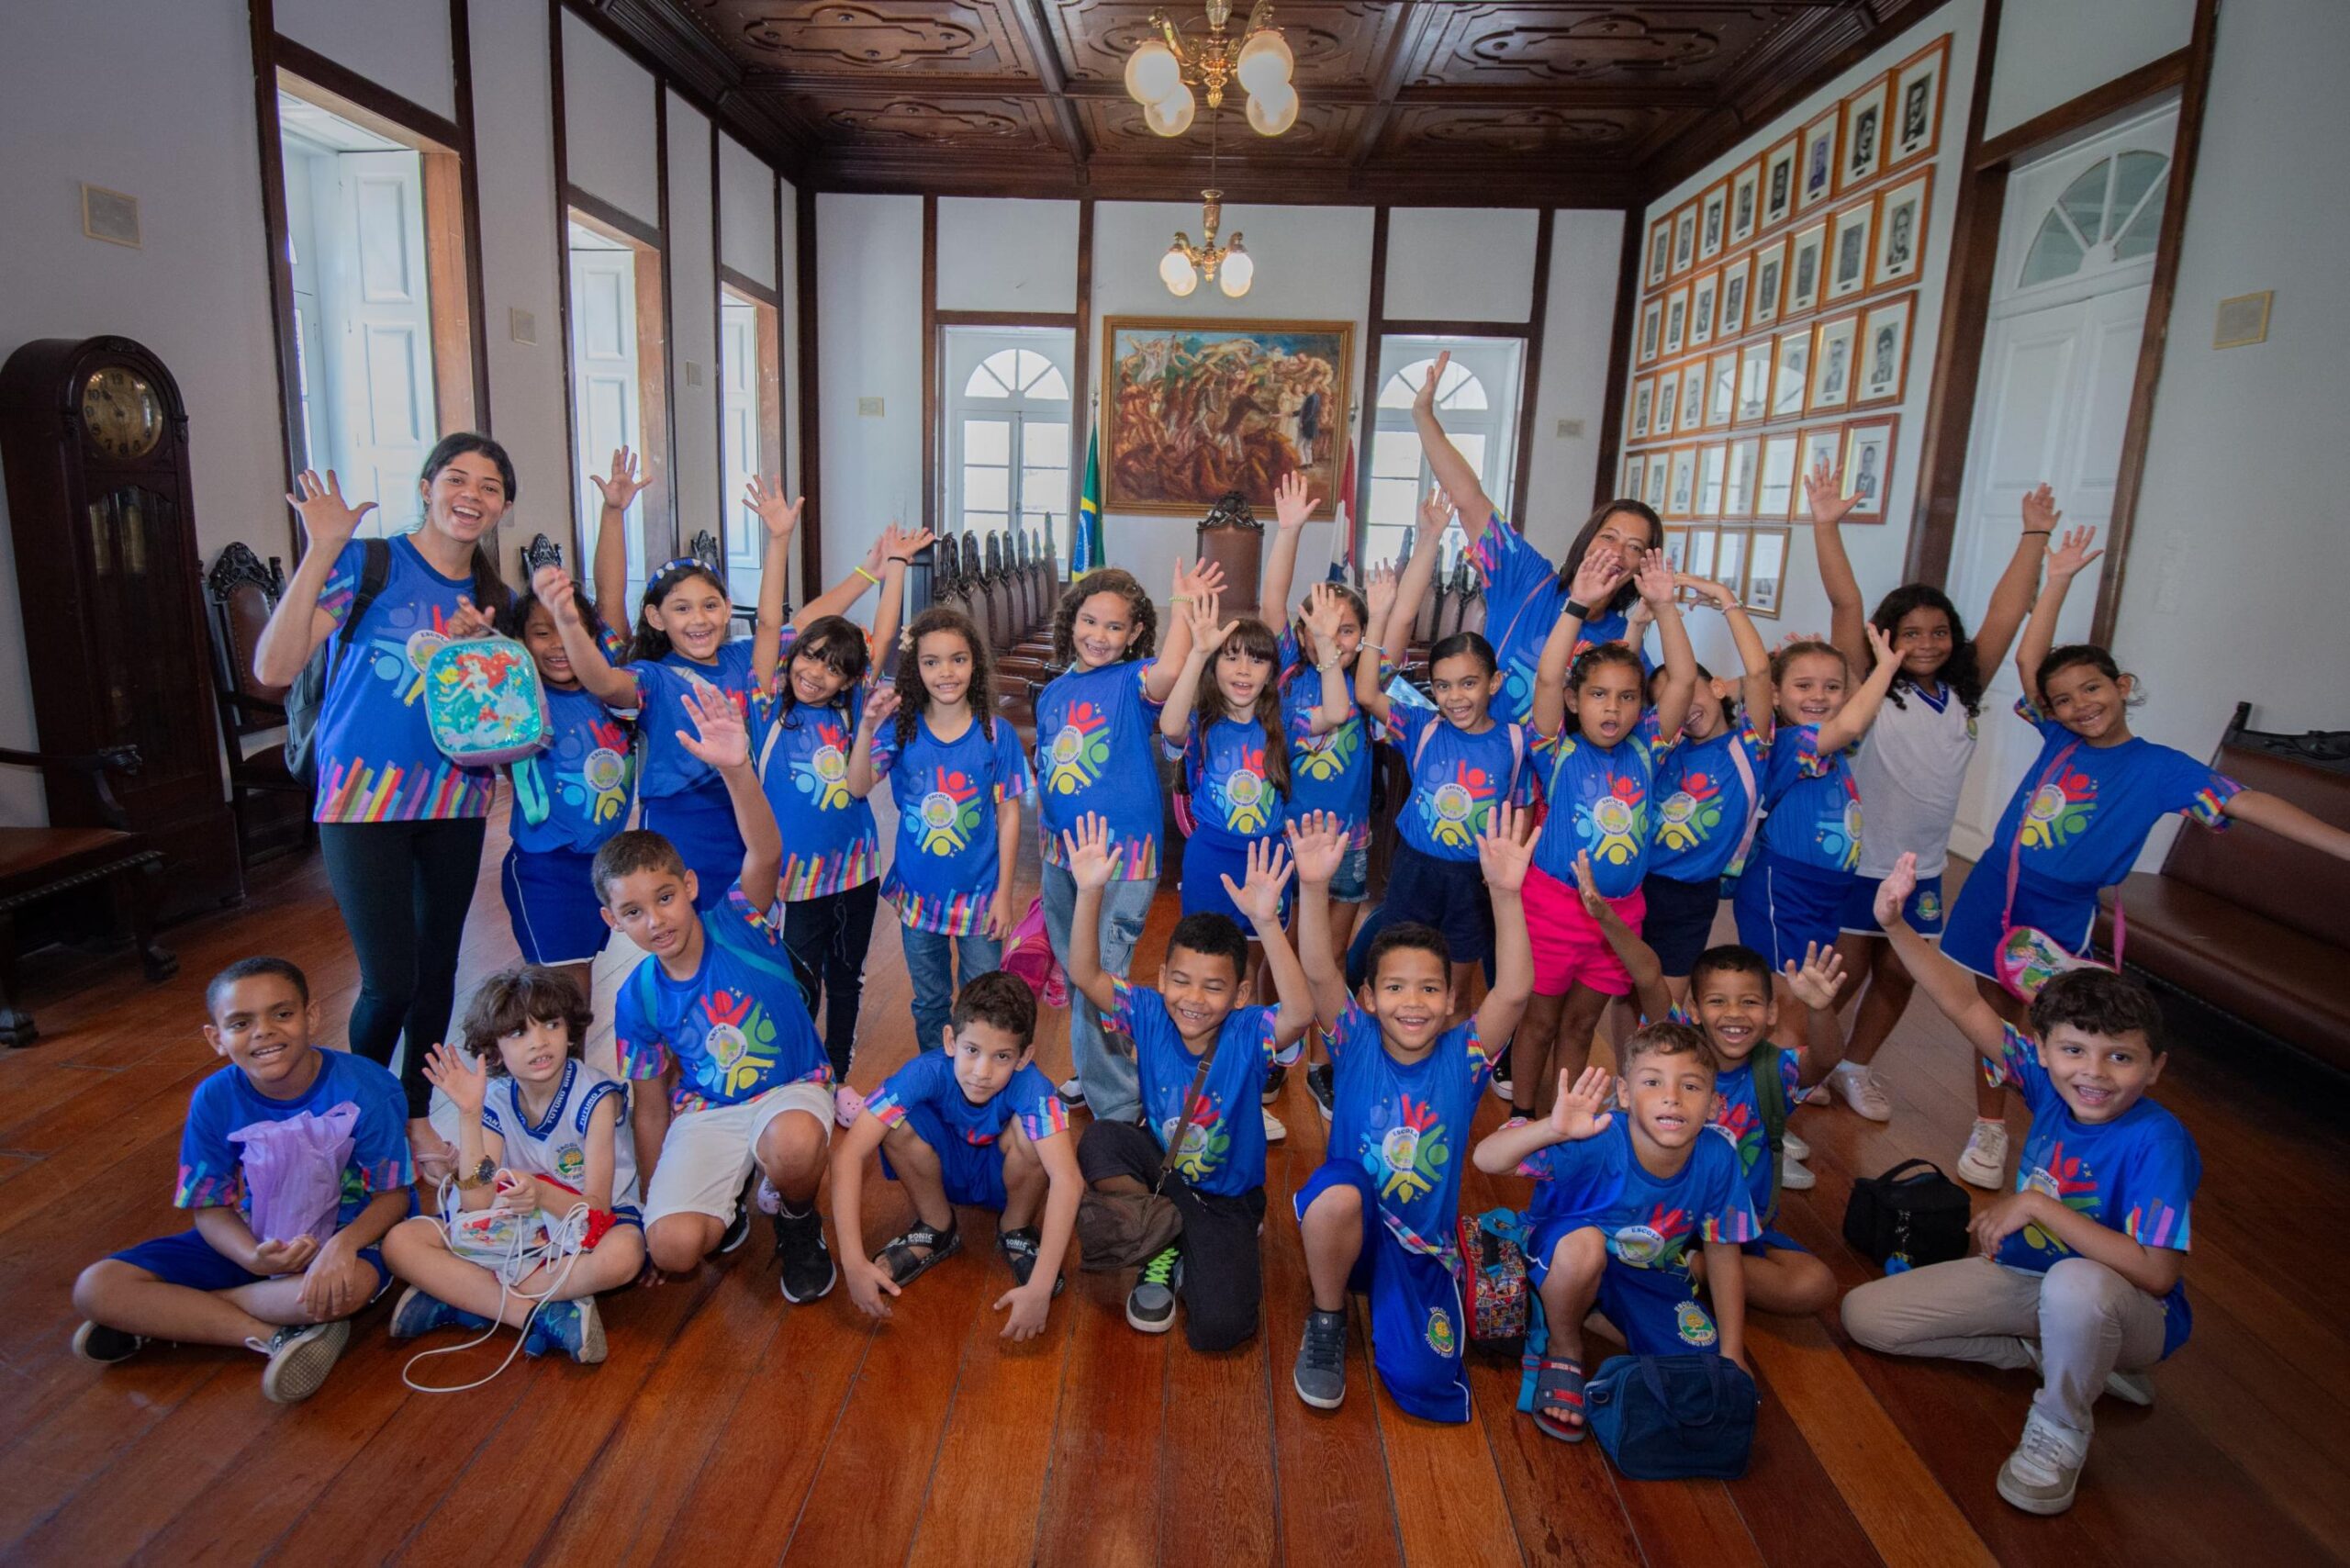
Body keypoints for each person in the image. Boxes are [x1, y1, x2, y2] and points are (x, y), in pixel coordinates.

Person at [1936, 525, 2350, 1186]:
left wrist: (2340, 843)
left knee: (2061, 1030)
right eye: (2064, 699)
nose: (2079, 706)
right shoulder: (2058, 736)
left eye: (2092, 690)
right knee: (1990, 1015)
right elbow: (2029, 659)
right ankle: (1990, 1125)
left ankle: (2058, 1136)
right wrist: (2058, 578)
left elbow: (2249, 802)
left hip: (2062, 911)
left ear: (2122, 685)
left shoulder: (2161, 768)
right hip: (1997, 888)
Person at [1846, 854, 2199, 1517]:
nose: (2093, 1073)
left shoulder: (2159, 1141)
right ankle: (2058, 1354)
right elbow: (1961, 1001)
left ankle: (2061, 1425)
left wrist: (2036, 1205)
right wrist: (1893, 925)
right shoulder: (2046, 1085)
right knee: (1867, 1318)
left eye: (2121, 1057)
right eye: (2073, 1051)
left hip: (2128, 1308)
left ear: (2155, 1068)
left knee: (2076, 1287)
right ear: (2042, 1051)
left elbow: (2157, 1274)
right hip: (2027, 1280)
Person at [251, 436, 518, 1170]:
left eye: (489, 486)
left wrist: (478, 654)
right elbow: (274, 666)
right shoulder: (365, 564)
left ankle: (413, 1112)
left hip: (455, 797)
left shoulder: (495, 598)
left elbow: (495, 719)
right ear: (428, 486)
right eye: (457, 478)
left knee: (437, 972)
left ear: (503, 506)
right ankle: (347, 1116)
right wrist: (320, 547)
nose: (471, 495)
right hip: (360, 801)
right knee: (389, 980)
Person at [1807, 466, 2051, 1131]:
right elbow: (1846, 606)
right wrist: (1826, 526)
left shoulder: (1964, 691)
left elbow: (2006, 614)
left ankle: (1855, 1064)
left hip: (1924, 867)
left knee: (1900, 974)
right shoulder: (1868, 686)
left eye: (1938, 632)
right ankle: (1807, 1067)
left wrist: (2033, 536)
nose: (1926, 643)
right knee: (1841, 973)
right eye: (1910, 632)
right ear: (1886, 637)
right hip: (1860, 861)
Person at [534, 480, 905, 915]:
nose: (699, 619)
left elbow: (792, 622)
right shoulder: (653, 676)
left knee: (747, 925)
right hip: (681, 820)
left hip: (747, 809)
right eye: (682, 608)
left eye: (710, 605)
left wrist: (861, 570)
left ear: (727, 609)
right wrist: (569, 624)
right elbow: (602, 681)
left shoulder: (742, 657)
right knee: (686, 924)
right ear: (656, 617)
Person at [69, 958, 412, 1403]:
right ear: (216, 1038)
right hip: (258, 1240)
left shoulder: (368, 1087)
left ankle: (173, 1315)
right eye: (240, 1023)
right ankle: (273, 1336)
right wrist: (253, 1257)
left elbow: (394, 1196)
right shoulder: (213, 1098)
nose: (264, 1032)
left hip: (349, 1240)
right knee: (95, 1287)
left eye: (282, 1014)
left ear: (311, 1017)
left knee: (346, 1290)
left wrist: (340, 1248)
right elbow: (209, 1208)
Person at [1291, 805, 1538, 1419]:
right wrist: (1314, 887)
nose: (1413, 1002)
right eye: (1395, 987)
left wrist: (1507, 895)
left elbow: (1513, 991)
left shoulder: (1465, 1058)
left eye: (1430, 988)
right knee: (1337, 1194)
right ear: (1369, 998)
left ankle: (1400, 1311)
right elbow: (1319, 970)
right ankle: (1327, 1314)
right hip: (1352, 1230)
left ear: (1452, 1000)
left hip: (1419, 1250)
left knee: (1424, 1381)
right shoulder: (1354, 1041)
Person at [599, 687, 836, 1302]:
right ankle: (726, 1199)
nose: (656, 920)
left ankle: (798, 1218)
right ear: (613, 922)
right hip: (711, 1110)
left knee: (793, 1146)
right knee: (672, 1249)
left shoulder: (738, 918)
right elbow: (650, 1108)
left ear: (689, 886)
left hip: (790, 1088)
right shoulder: (637, 997)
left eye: (665, 898)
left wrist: (736, 769)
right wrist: (651, 1202)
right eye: (633, 912)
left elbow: (766, 850)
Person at [1066, 822, 1315, 1350]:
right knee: (1099, 1140)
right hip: (1164, 1171)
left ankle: (1191, 1238)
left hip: (1226, 1198)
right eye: (1180, 980)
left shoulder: (1248, 1032)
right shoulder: (1148, 1011)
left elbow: (1299, 1012)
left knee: (1220, 1329)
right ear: (1161, 979)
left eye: (1214, 987)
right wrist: (1089, 892)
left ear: (1240, 995)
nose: (1194, 998)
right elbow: (1086, 975)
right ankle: (1162, 1237)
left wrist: (1266, 922)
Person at [1472, 1027, 1758, 1443]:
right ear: (1624, 1093)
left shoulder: (1718, 1157)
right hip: (1565, 1254)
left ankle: (1582, 1312)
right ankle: (1564, 1344)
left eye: (1691, 1086)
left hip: (1646, 1273)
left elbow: (1723, 1251)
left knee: (1698, 1369)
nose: (1672, 1097)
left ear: (1714, 1104)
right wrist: (1552, 1129)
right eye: (1653, 1082)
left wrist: (1733, 1352)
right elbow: (1485, 1159)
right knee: (1585, 1247)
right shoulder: (1599, 1135)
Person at [1033, 559, 1225, 1122]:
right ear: (1072, 622)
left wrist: (1182, 605)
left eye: (1115, 626)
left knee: (1101, 972)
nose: (1099, 635)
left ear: (1135, 632)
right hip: (1061, 855)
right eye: (1090, 622)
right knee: (1078, 970)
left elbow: (1170, 671)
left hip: (1123, 859)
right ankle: (1096, 1068)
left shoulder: (1133, 681)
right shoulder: (1053, 693)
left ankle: (1118, 1105)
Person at [1513, 549, 1695, 1118]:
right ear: (1574, 701)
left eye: (1627, 696)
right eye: (1598, 695)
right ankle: (1522, 1114)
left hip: (1618, 916)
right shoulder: (1555, 750)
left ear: (1642, 705)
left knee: (1580, 1024)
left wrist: (1664, 607)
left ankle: (1563, 1118)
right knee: (1540, 1020)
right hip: (1552, 909)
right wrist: (1576, 606)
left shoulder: (1648, 750)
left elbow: (1683, 679)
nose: (1612, 708)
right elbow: (1548, 675)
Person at [387, 965, 644, 1362]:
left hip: (583, 1225)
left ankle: (465, 1296)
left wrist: (541, 1193)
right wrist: (469, 1115)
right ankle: (533, 1315)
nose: (539, 1042)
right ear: (494, 1049)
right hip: (516, 1230)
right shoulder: (494, 1099)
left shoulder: (595, 1097)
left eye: (551, 1025)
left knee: (625, 1255)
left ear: (570, 1029)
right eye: (518, 1033)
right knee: (399, 1243)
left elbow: (597, 1210)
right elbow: (476, 1199)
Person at [750, 525, 929, 1088]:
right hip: (794, 878)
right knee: (799, 980)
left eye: (832, 668)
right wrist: (868, 566)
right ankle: (796, 1075)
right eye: (809, 657)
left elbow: (885, 633)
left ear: (850, 678)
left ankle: (837, 1071)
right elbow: (771, 625)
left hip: (855, 872)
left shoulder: (855, 708)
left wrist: (898, 565)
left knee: (847, 976)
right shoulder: (767, 702)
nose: (815, 673)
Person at [1415, 350, 1662, 724]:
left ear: (1642, 566)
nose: (1616, 553)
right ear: (1587, 540)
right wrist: (1423, 415)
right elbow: (1468, 498)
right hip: (1487, 751)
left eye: (1634, 547)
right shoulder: (1527, 577)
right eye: (1609, 537)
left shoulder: (1625, 637)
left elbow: (1661, 709)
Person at [831, 972, 1080, 1340]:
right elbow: (848, 1155)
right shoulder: (922, 1072)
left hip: (1002, 1179)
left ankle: (1016, 1228)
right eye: (972, 1050)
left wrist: (1040, 1287)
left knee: (1035, 1136)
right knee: (894, 1123)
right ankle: (936, 1225)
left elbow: (1068, 1180)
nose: (982, 1072)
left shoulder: (1035, 1089)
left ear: (1024, 1057)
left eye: (1002, 1056)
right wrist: (853, 1262)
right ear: (950, 1040)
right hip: (944, 1172)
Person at [1257, 473, 1389, 1121]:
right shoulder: (1286, 672)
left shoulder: (1366, 683)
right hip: (1286, 836)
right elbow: (1272, 600)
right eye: (1320, 626)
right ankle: (1270, 1049)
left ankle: (1321, 1063)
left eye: (1346, 629)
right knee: (1276, 947)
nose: (1330, 638)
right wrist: (1287, 533)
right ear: (1302, 632)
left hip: (1347, 841)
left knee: (1330, 956)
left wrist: (1382, 612)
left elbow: (1385, 637)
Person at [848, 605, 1032, 1067]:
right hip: (918, 898)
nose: (946, 672)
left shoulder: (996, 735)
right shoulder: (901, 730)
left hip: (981, 898)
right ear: (916, 668)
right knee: (930, 1000)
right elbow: (857, 785)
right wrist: (867, 728)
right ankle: (938, 1074)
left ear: (975, 664)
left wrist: (1004, 894)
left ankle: (976, 1075)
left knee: (983, 998)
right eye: (931, 662)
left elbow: (1009, 814)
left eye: (958, 659)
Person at [1728, 619, 1900, 1060]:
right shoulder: (1791, 741)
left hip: (1825, 893)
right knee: (1787, 998)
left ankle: (1785, 1079)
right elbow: (1851, 722)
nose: (1819, 696)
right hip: (1783, 889)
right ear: (1776, 695)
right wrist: (1886, 669)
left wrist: (1848, 671)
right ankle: (1773, 1085)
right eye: (1803, 686)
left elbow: (1853, 716)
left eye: (1831, 687)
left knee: (1804, 997)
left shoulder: (1834, 748)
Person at [1349, 619, 1537, 1026]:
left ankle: (1448, 1060)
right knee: (1395, 970)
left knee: (1455, 988)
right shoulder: (1422, 727)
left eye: (1469, 683)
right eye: (1443, 686)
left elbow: (1521, 804)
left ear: (1494, 682)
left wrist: (1509, 859)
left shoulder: (1514, 741)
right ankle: (1385, 1051)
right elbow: (1366, 693)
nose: (1455, 697)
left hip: (1474, 881)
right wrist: (1379, 618)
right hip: (1415, 870)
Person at [493, 468, 635, 1000]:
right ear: (522, 640)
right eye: (541, 632)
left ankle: (571, 1058)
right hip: (546, 867)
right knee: (565, 994)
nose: (556, 645)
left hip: (605, 864)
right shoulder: (521, 695)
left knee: (582, 989)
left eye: (568, 628)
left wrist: (613, 512)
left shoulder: (611, 679)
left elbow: (611, 592)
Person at [1642, 576, 1776, 1001]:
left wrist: (1725, 598)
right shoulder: (1663, 751)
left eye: (1689, 693)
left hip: (1691, 897)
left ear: (1718, 687)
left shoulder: (1748, 749)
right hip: (1638, 883)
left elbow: (1759, 672)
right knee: (1630, 991)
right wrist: (1643, 620)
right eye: (1669, 701)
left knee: (1665, 1001)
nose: (1683, 708)